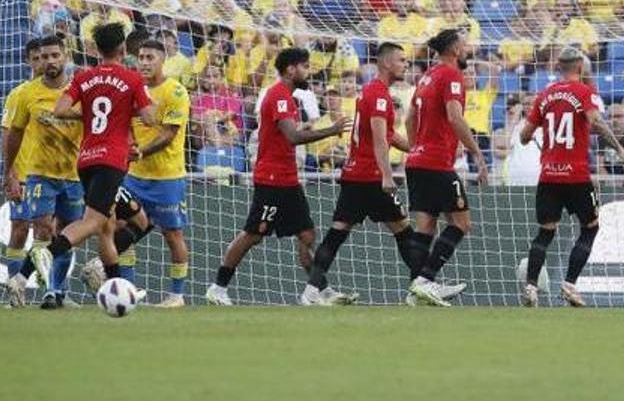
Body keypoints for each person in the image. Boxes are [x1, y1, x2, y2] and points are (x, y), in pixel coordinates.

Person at [206, 48, 352, 305]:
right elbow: (293, 137)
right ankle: (218, 287)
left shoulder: (288, 98)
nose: (308, 71)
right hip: (271, 179)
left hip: (287, 178)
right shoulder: (279, 96)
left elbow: (288, 134)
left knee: (307, 234)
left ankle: (320, 290)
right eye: (305, 66)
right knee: (253, 235)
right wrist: (331, 130)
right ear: (290, 69)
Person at [20, 23, 158, 293]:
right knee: (94, 222)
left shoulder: (84, 77)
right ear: (122, 48)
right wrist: (139, 105)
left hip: (85, 160)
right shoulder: (132, 79)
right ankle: (45, 254)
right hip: (111, 160)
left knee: (106, 225)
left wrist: (90, 115)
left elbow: (59, 109)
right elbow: (150, 118)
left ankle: (116, 287)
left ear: (97, 49)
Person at [301, 43, 423, 305]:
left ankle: (311, 291)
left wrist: (417, 148)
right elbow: (380, 140)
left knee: (338, 231)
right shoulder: (379, 95)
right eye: (401, 60)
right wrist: (387, 174)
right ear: (387, 63)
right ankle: (421, 286)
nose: (405, 65)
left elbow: (387, 135)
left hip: (355, 174)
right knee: (403, 228)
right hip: (371, 177)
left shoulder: (372, 92)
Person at [519, 48, 624, 308]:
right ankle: (569, 285)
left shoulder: (545, 95)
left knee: (545, 233)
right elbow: (597, 123)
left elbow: (524, 136)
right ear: (580, 65)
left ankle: (531, 287)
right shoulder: (584, 92)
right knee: (590, 227)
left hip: (548, 176)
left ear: (559, 66)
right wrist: (621, 149)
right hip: (576, 176)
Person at [101, 40, 193, 308]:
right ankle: (127, 289)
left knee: (172, 234)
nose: (143, 62)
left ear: (162, 59)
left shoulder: (175, 91)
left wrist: (140, 151)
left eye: (149, 57)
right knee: (121, 226)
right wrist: (129, 145)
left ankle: (177, 295)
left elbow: (169, 133)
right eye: (140, 57)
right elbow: (124, 125)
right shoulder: (132, 89)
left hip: (167, 177)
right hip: (134, 177)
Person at [403, 29, 489, 306]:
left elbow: (409, 117)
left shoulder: (426, 76)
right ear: (454, 50)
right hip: (437, 161)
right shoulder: (451, 75)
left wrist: (417, 146)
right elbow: (454, 116)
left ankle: (415, 291)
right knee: (462, 223)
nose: (467, 49)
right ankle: (425, 280)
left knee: (425, 225)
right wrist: (476, 151)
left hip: (417, 160)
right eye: (464, 45)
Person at [1, 36, 85, 309]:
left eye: (54, 55)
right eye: (44, 56)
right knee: (43, 229)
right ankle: (48, 290)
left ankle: (54, 290)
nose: (49, 61)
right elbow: (14, 133)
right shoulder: (27, 93)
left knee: (67, 235)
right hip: (40, 174)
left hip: (74, 174)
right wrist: (10, 172)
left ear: (64, 56)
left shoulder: (80, 90)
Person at [0, 39, 45, 307]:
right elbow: (7, 135)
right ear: (29, 62)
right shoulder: (19, 94)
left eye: (45, 57)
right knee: (20, 229)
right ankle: (16, 290)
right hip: (25, 173)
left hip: (51, 174)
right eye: (36, 58)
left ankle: (55, 290)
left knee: (49, 231)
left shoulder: (62, 92)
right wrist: (11, 174)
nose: (42, 63)